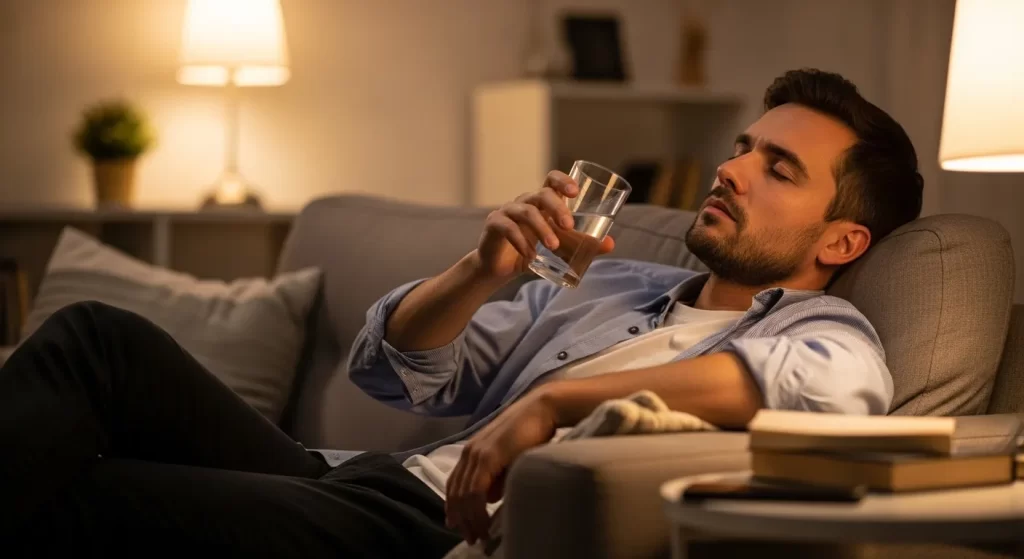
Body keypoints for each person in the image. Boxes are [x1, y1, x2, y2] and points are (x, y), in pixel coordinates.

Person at [0, 69, 922, 558]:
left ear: (840, 242)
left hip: (431, 532)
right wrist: (482, 271)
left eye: (779, 169)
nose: (732, 169)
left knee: (88, 494)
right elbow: (401, 366)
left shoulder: (822, 333)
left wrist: (550, 406)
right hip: (363, 480)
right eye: (743, 148)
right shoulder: (615, 283)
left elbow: (826, 393)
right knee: (98, 339)